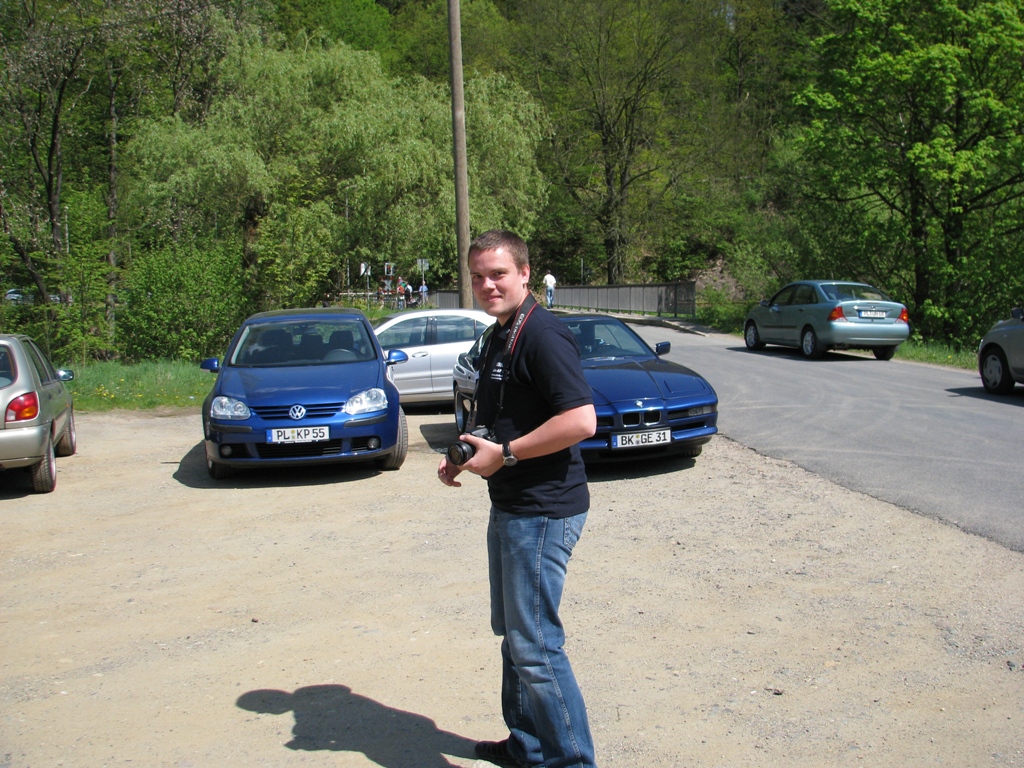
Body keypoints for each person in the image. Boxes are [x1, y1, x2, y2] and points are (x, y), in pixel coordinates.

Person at [437, 230, 598, 768]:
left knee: (536, 647)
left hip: (543, 509)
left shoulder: (543, 334)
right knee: (514, 637)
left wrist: (504, 455)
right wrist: (464, 453)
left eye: (498, 274)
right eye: (477, 276)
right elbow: (501, 413)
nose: (487, 285)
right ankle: (527, 747)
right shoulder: (499, 334)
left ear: (526, 273)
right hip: (511, 504)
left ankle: (572, 762)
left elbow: (580, 421)